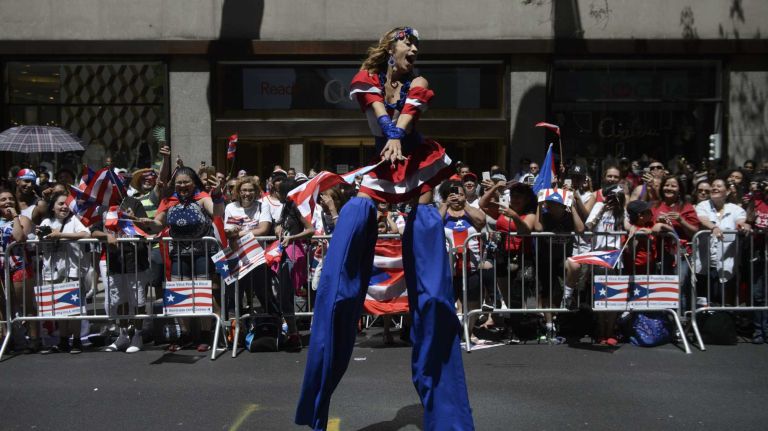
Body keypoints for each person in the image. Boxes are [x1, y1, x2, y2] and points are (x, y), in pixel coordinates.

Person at [296, 27, 474, 430]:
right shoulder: (367, 78)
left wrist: (398, 132)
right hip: (382, 167)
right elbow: (377, 108)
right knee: (351, 236)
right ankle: (318, 390)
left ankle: (445, 413)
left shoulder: (420, 83)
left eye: (417, 45)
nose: (414, 50)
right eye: (407, 42)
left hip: (417, 165)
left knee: (431, 293)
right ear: (390, 47)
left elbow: (408, 114)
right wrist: (389, 132)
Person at [150, 166, 225, 352]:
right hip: (177, 254)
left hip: (201, 254)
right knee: (179, 294)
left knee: (202, 294)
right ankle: (184, 335)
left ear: (194, 183)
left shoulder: (203, 198)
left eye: (186, 182)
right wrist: (146, 223)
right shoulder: (170, 201)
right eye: (179, 183)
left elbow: (217, 213)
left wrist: (216, 195)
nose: (182, 186)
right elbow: (158, 224)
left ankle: (205, 335)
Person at [38, 192, 91, 354]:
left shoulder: (73, 220)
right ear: (52, 207)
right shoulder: (46, 221)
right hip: (52, 272)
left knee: (74, 309)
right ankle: (63, 340)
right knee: (60, 308)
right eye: (60, 203)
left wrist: (60, 235)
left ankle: (76, 340)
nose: (64, 206)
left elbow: (85, 234)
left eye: (66, 203)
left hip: (72, 271)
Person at [438, 180, 486, 343]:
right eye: (452, 194)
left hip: (471, 266)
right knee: (447, 303)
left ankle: (468, 331)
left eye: (459, 193)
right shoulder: (442, 213)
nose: (456, 197)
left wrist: (464, 204)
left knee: (472, 303)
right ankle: (451, 332)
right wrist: (445, 204)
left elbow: (481, 221)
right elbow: (433, 225)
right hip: (448, 269)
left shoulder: (471, 210)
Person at [694, 178, 751, 306]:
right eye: (713, 186)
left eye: (719, 186)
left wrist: (744, 226)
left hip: (726, 265)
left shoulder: (736, 209)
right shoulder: (702, 205)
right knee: (704, 301)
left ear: (727, 191)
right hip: (705, 263)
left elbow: (741, 222)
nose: (714, 188)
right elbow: (702, 218)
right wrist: (713, 227)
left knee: (725, 302)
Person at [0, 189, 37, 352]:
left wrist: (14, 216)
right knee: (4, 307)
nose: (7, 201)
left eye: (10, 199)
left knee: (25, 304)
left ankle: (34, 339)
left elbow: (19, 237)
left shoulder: (24, 219)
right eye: (2, 200)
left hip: (19, 266)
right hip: (2, 268)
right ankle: (12, 340)